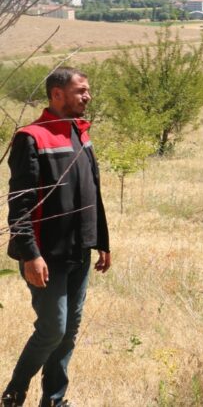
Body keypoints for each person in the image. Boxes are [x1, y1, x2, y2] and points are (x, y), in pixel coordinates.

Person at [3, 67, 110, 407]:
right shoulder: (31, 137)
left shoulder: (81, 132)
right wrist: (29, 254)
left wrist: (102, 240)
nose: (87, 96)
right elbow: (19, 203)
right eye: (81, 90)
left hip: (79, 249)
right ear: (57, 94)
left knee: (69, 331)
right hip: (45, 256)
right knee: (53, 328)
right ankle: (14, 392)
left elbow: (93, 189)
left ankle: (54, 398)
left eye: (87, 90)